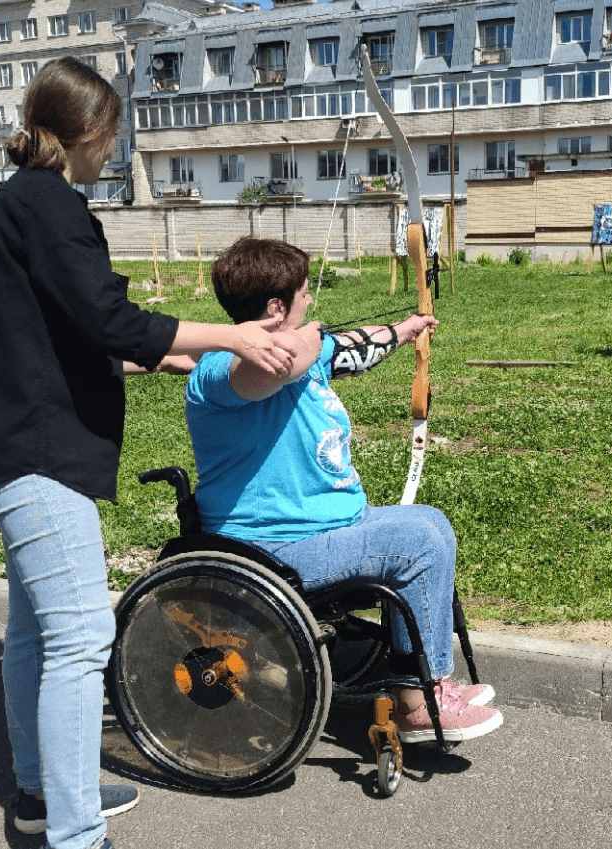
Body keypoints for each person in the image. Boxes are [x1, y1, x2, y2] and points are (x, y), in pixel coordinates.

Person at [0, 59, 299, 849]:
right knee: (78, 638)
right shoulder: (49, 203)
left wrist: (162, 354)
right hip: (34, 455)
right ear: (85, 133)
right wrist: (231, 334)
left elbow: (66, 330)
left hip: (12, 446)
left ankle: (42, 791)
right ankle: (73, 830)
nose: (115, 147)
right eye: (111, 133)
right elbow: (108, 317)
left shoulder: (25, 203)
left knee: (37, 633)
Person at [183, 236, 503, 742]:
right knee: (414, 545)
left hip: (322, 529)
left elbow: (353, 347)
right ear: (275, 308)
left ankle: (432, 676)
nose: (311, 302)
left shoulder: (306, 351)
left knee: (430, 522)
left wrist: (404, 329)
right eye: (305, 294)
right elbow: (278, 365)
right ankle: (417, 704)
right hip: (270, 550)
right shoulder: (222, 370)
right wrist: (311, 342)